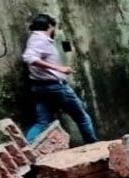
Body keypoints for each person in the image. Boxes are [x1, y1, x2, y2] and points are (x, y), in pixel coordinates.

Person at [22, 13, 98, 144]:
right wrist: (59, 68)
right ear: (50, 26)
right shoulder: (41, 40)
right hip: (54, 86)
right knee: (82, 117)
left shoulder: (34, 38)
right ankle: (94, 146)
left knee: (42, 122)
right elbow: (28, 58)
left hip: (39, 87)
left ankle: (27, 148)